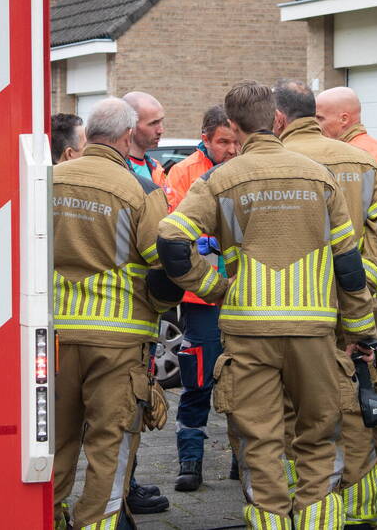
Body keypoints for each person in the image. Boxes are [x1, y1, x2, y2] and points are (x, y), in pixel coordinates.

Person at [157, 81, 377, 529]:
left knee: (260, 443)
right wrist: (360, 330)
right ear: (277, 119)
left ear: (233, 128)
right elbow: (349, 265)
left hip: (248, 334)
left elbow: (171, 240)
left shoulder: (220, 178)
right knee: (318, 438)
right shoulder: (319, 177)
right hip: (314, 333)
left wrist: (217, 287)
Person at [274, 79, 377, 529]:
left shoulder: (281, 163)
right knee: (357, 395)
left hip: (300, 307)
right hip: (359, 303)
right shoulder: (364, 159)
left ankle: (306, 501)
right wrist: (361, 285)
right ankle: (362, 506)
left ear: (278, 119)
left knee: (301, 404)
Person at [51, 98, 183, 530]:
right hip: (118, 339)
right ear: (128, 137)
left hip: (53, 338)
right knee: (111, 442)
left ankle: (46, 517)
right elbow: (163, 271)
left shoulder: (48, 180)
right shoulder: (141, 191)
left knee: (54, 440)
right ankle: (97, 523)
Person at [317, 86, 377, 512]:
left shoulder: (374, 155)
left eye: (321, 117)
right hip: (373, 286)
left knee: (374, 381)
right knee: (370, 381)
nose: (316, 124)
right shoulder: (356, 153)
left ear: (344, 118)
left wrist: (364, 284)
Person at [165, 105, 240, 491]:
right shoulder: (183, 172)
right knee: (197, 380)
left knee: (245, 381)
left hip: (243, 297)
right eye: (222, 142)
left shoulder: (245, 169)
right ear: (206, 138)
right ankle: (190, 460)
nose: (230, 148)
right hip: (200, 299)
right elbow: (177, 229)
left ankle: (242, 459)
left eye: (234, 140)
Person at [120, 91, 174, 514]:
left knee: (140, 399)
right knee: (119, 406)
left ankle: (128, 482)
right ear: (129, 125)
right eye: (153, 123)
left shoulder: (154, 168)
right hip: (120, 308)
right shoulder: (118, 171)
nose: (161, 130)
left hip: (146, 307)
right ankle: (117, 493)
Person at [123, 91, 170, 193]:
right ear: (131, 126)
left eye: (161, 121)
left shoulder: (155, 166)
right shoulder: (119, 168)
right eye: (153, 123)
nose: (160, 130)